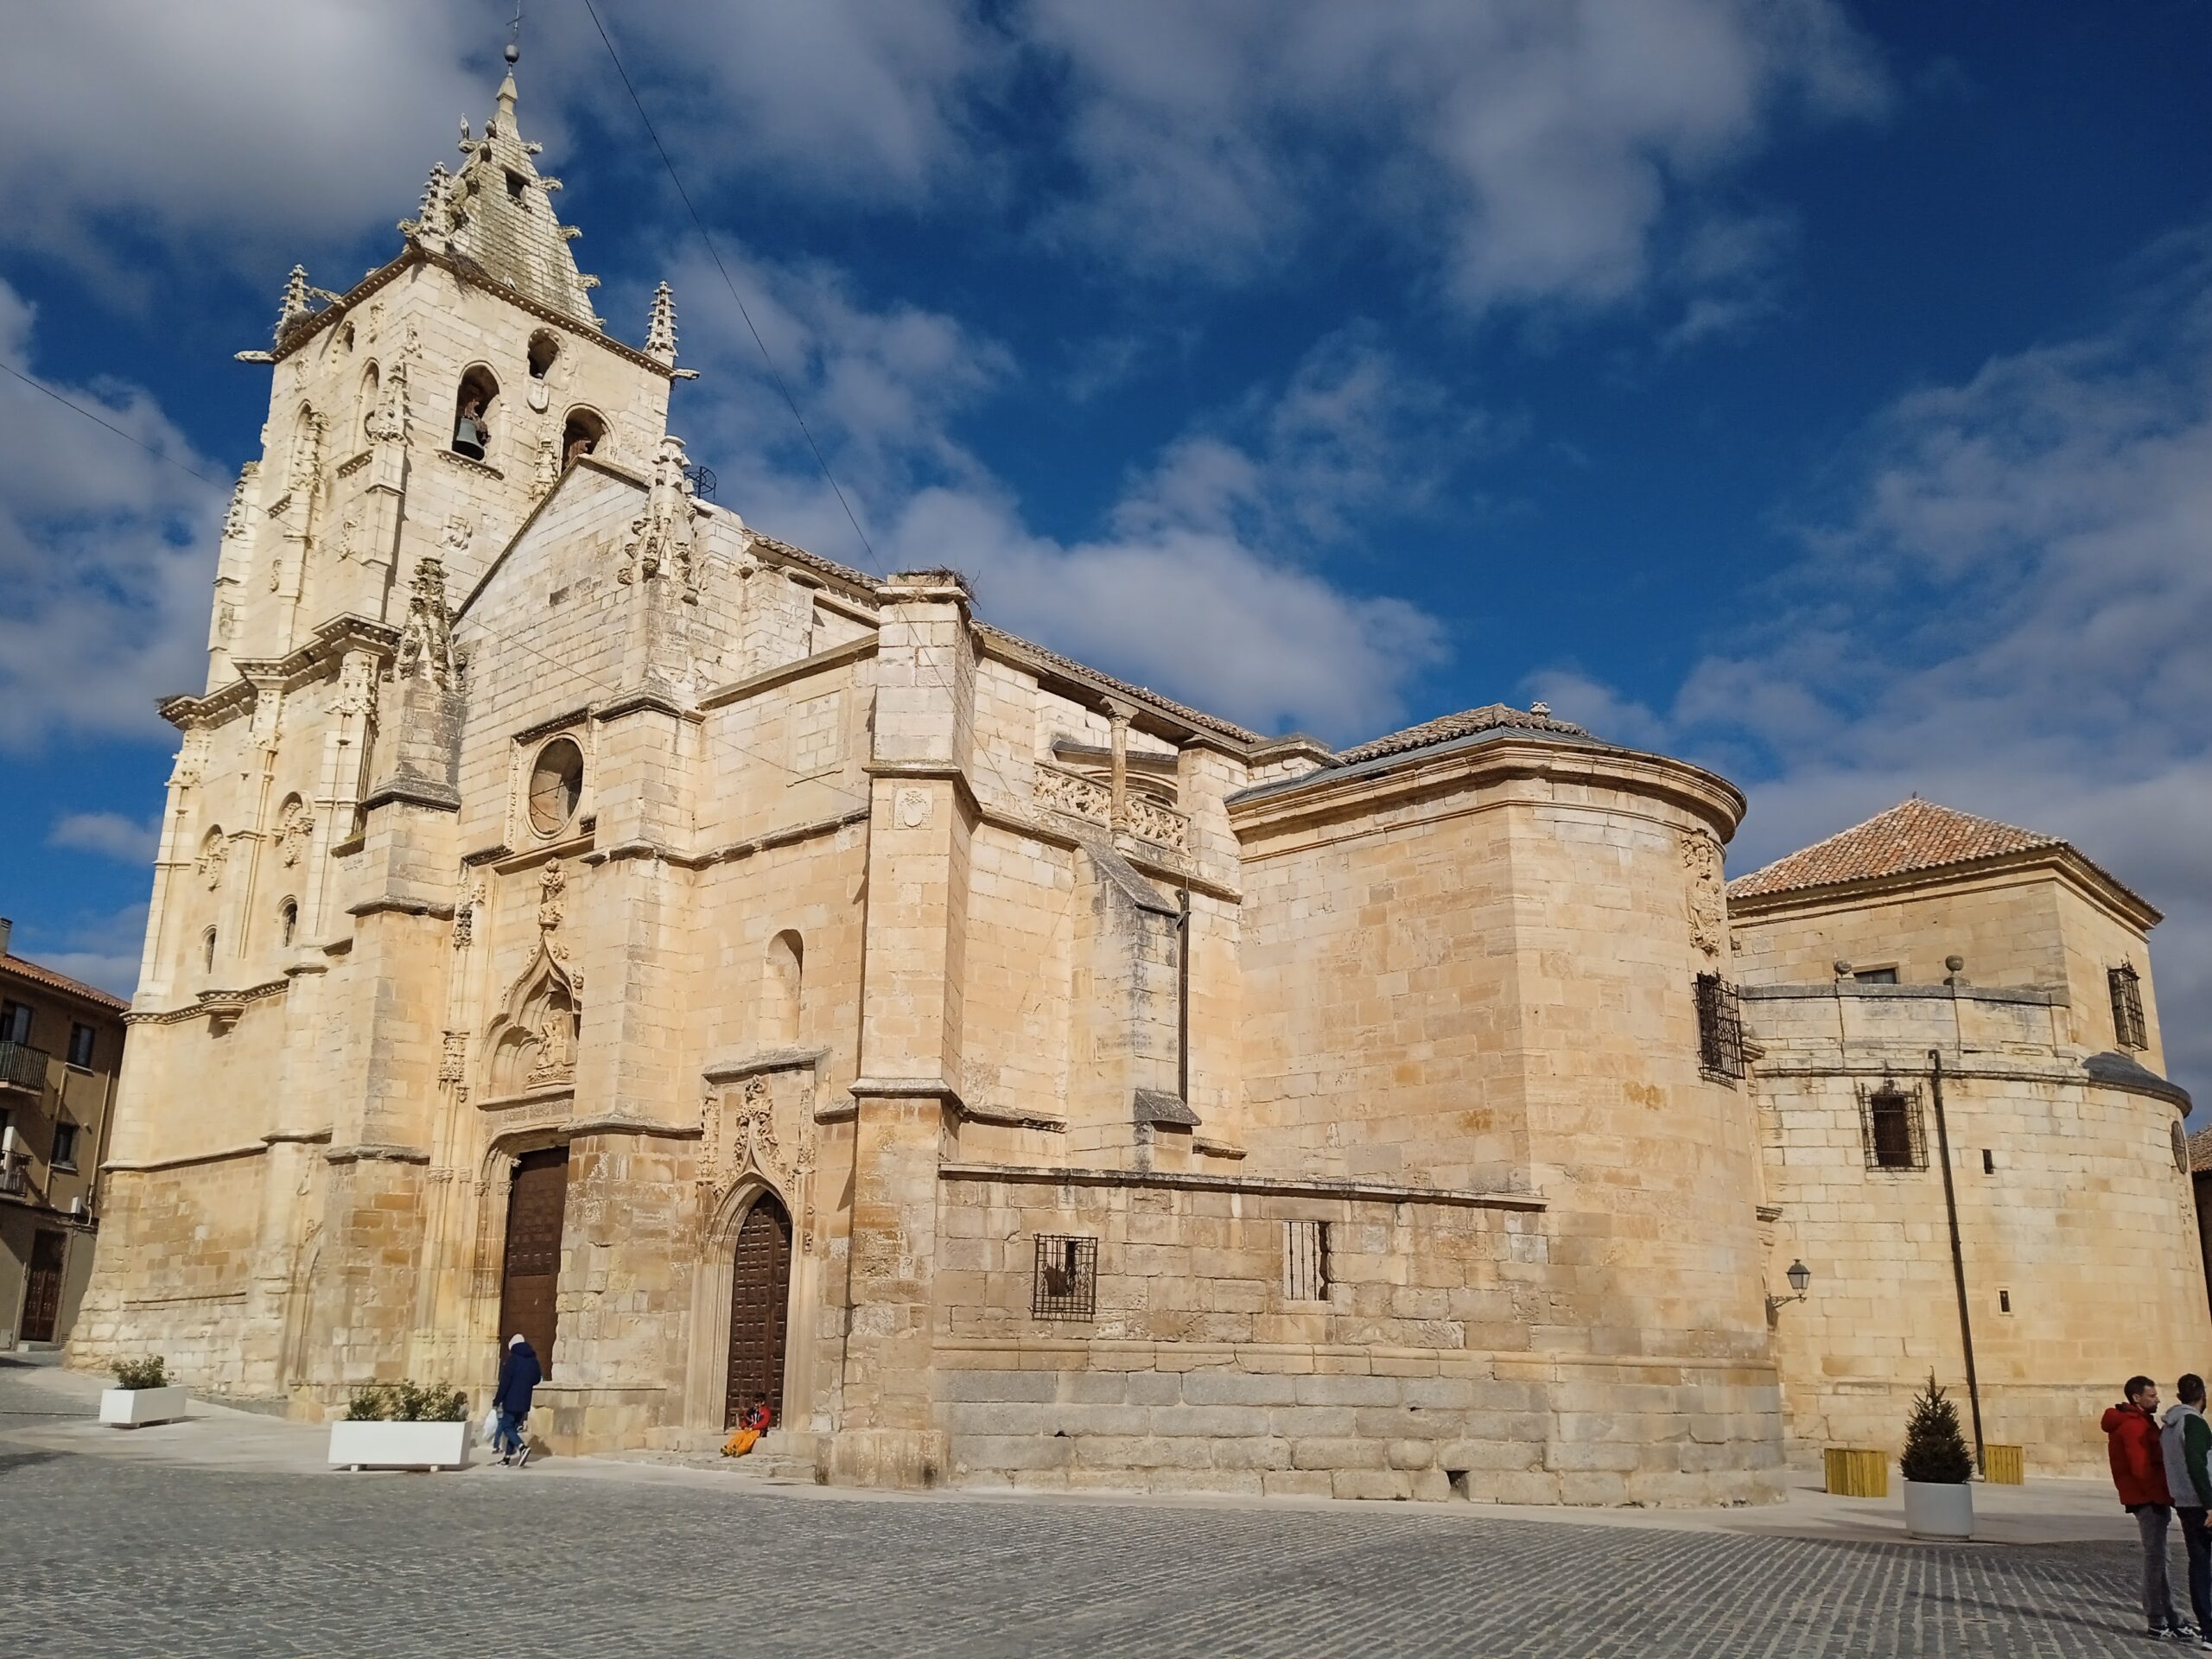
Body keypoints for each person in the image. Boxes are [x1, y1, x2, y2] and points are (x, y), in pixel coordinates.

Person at [2107, 1375, 2190, 1639]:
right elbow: (2142, 1469)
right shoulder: (2133, 1426)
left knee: (2161, 1559)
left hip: (2153, 1498)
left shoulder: (2142, 1421)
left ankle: (2171, 1617)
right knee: (2156, 1560)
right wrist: (2164, 1498)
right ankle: (2157, 1619)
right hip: (2149, 1500)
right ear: (2137, 1398)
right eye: (2152, 1395)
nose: (2157, 1399)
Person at [2164, 1374, 2212, 1647]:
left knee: (2200, 1564)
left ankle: (2208, 1628)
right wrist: (2209, 1504)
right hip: (2201, 1503)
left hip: (2183, 1501)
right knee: (2202, 1566)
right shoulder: (2193, 1422)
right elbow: (2196, 1464)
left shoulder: (2169, 1425)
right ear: (2202, 1395)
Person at [492, 1332, 541, 1468]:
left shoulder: (512, 1360)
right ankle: (506, 1458)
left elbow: (505, 1382)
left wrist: (497, 1400)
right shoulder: (533, 1360)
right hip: (525, 1399)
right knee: (513, 1428)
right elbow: (537, 1378)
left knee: (507, 1426)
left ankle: (522, 1448)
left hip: (512, 1399)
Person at [721, 1395, 774, 1459]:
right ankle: (729, 1447)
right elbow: (745, 1420)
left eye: (758, 1402)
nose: (756, 1404)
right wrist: (745, 1426)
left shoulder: (766, 1411)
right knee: (741, 1435)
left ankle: (740, 1450)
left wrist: (752, 1428)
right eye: (755, 1402)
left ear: (762, 1402)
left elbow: (764, 1423)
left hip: (759, 1430)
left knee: (750, 1437)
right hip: (750, 1428)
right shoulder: (752, 1411)